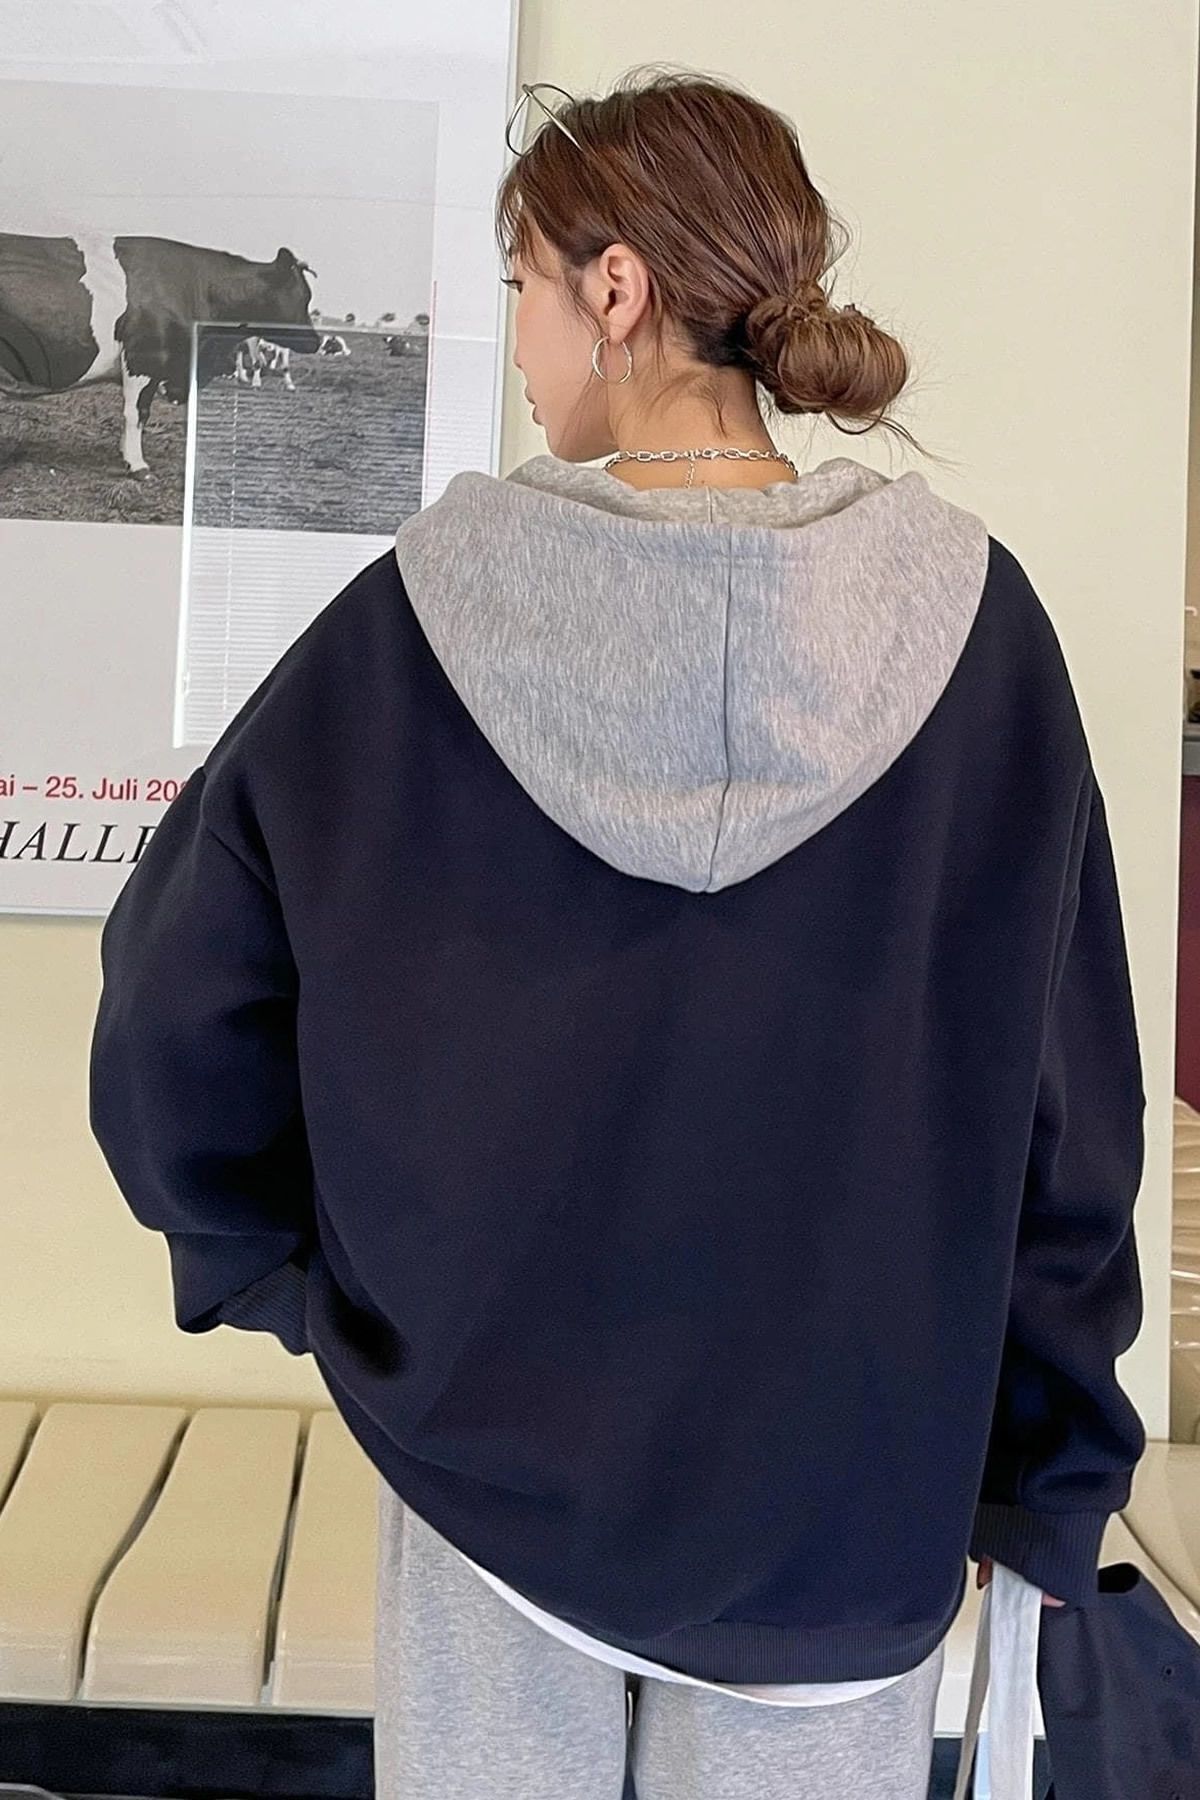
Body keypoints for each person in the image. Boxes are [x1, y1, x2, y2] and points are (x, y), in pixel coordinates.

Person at [89, 68, 1146, 1800]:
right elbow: (1068, 1111)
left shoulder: (408, 625)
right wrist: (1042, 1474)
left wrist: (302, 1284)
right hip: (850, 1509)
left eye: (522, 283)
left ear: (617, 286)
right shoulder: (981, 634)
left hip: (486, 1477)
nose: (517, 336)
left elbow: (170, 1013)